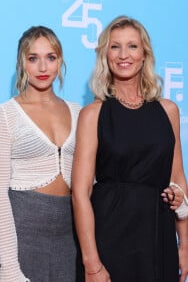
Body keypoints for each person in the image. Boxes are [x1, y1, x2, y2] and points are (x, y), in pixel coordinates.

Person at [71, 15, 188, 282]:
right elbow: (80, 191)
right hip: (109, 236)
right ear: (105, 55)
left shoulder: (168, 111)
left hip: (157, 234)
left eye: (132, 46)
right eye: (115, 46)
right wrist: (91, 263)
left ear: (145, 54)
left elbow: (178, 180)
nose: (124, 55)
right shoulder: (93, 114)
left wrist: (185, 245)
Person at [0, 26, 84, 281]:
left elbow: (89, 183)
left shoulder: (78, 112)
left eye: (50, 57)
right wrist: (9, 265)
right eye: (33, 58)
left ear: (60, 61)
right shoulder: (5, 113)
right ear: (22, 63)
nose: (42, 67)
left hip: (68, 236)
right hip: (21, 232)